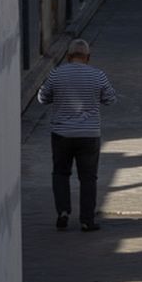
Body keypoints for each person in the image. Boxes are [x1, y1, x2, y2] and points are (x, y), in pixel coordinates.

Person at [37, 39, 119, 232]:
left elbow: (42, 98)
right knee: (88, 178)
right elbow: (111, 99)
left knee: (60, 173)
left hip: (61, 134)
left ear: (68, 56)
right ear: (88, 58)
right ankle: (86, 220)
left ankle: (63, 211)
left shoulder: (56, 74)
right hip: (89, 134)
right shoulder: (98, 75)